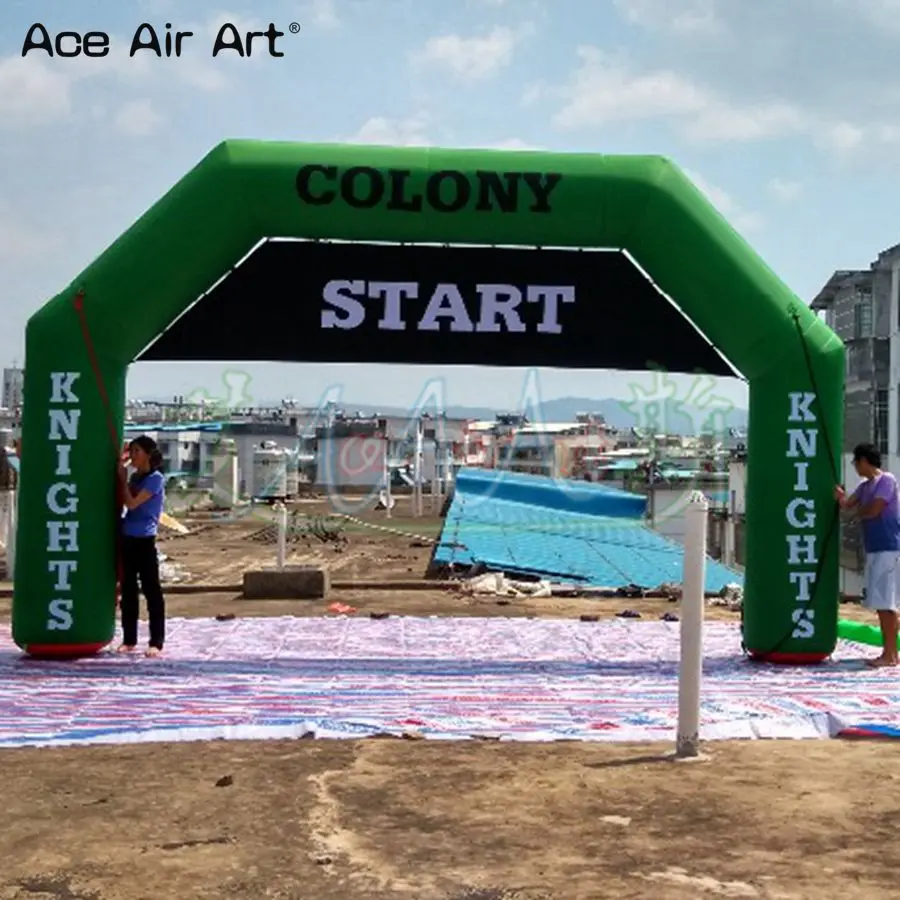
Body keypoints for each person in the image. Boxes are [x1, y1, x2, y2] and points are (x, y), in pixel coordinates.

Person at [835, 443, 900, 667]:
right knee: (883, 602)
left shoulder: (887, 481)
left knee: (886, 604)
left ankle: (890, 655)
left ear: (864, 461)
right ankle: (890, 653)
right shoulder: (864, 487)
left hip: (889, 548)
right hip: (874, 548)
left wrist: (855, 514)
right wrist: (841, 497)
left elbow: (874, 509)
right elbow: (847, 504)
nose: (855, 467)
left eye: (856, 462)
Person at [117, 435, 166, 657]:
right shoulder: (135, 478)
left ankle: (156, 641)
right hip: (128, 537)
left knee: (151, 590)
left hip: (144, 540)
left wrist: (122, 481)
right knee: (128, 591)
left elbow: (132, 503)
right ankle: (129, 639)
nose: (133, 456)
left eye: (137, 452)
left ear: (147, 454)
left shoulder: (155, 479)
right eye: (131, 452)